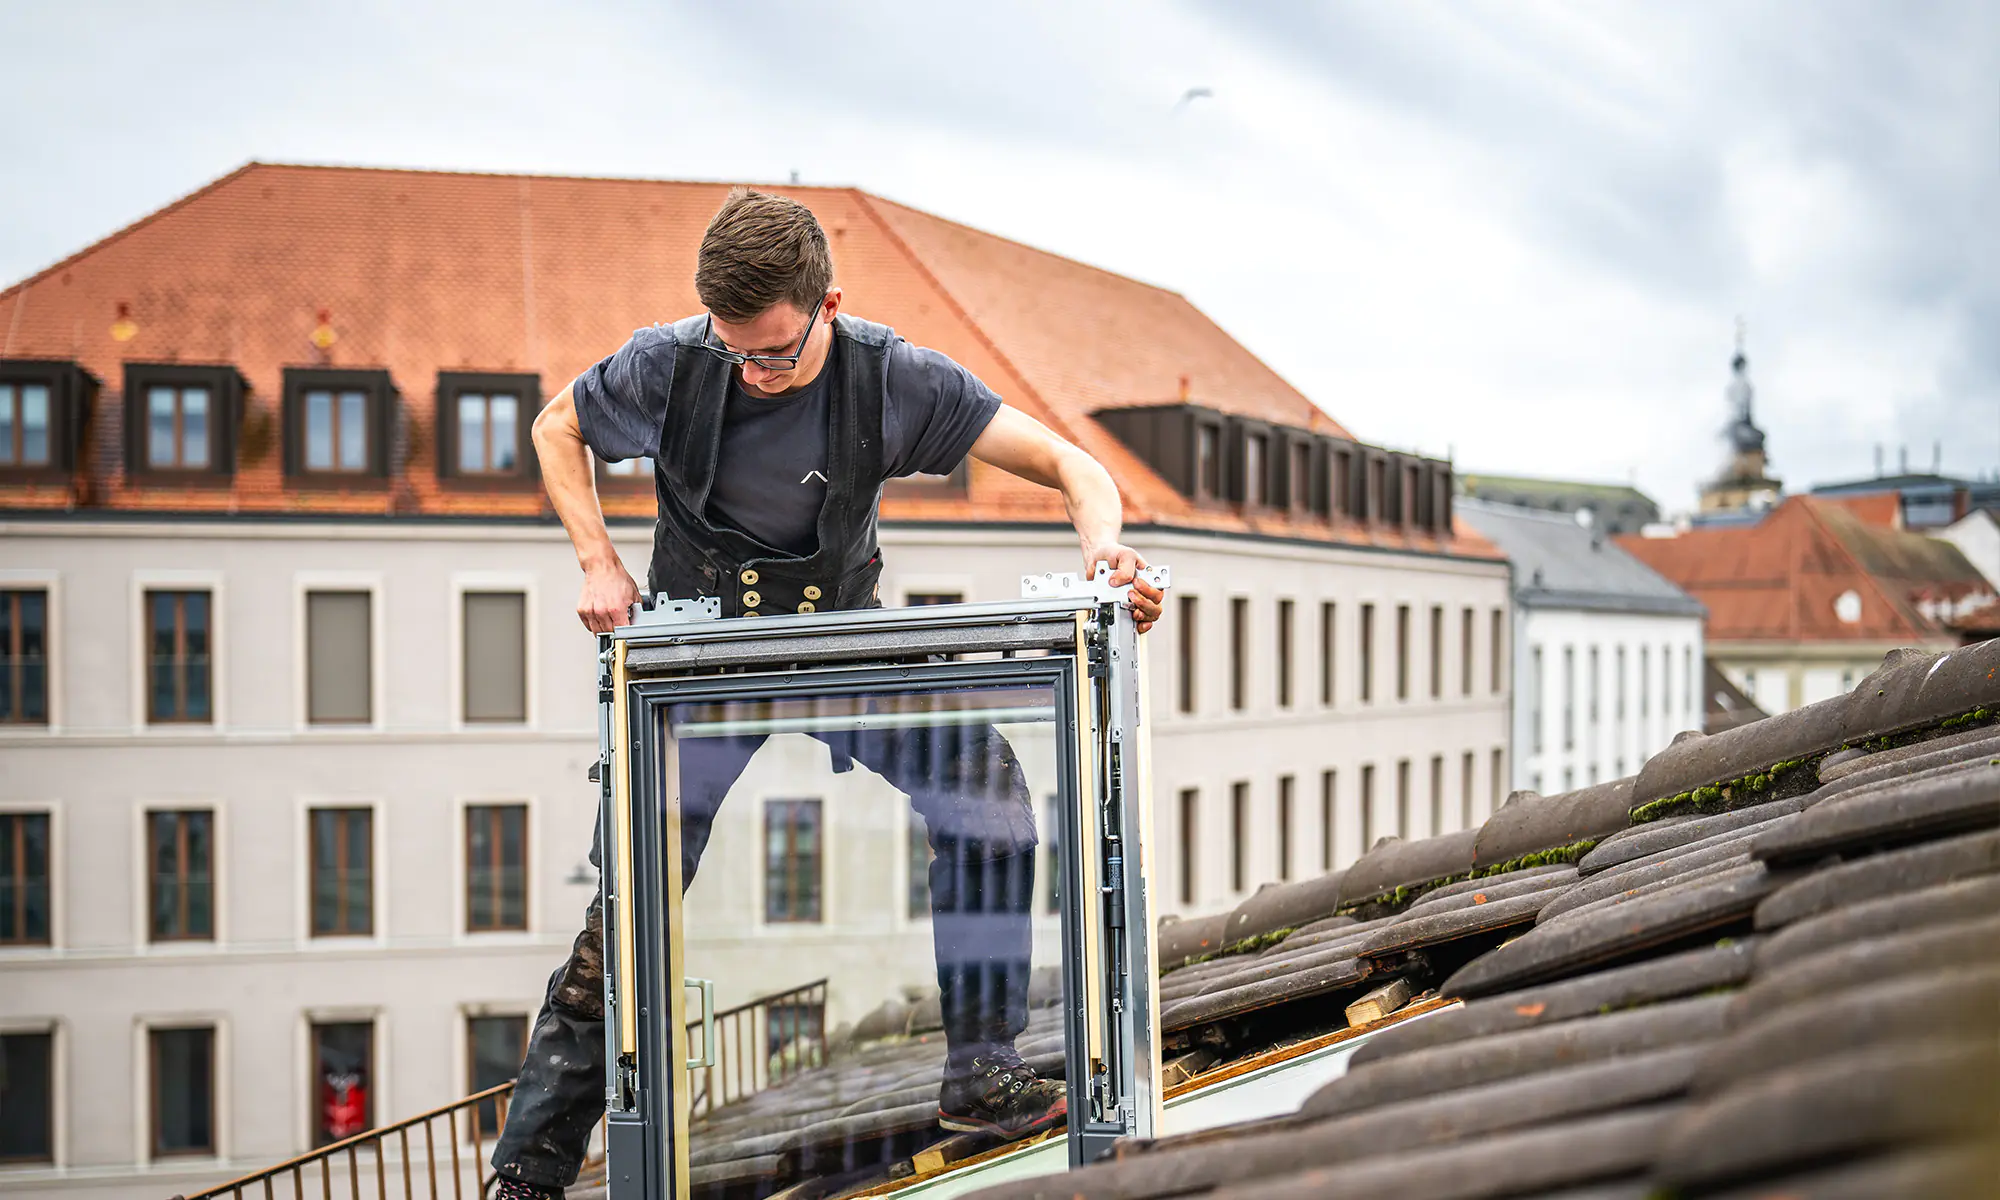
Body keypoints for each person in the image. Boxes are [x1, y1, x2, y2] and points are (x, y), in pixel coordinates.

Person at [490, 187, 1165, 1200]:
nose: (753, 374)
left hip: (836, 643)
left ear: (828, 305)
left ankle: (978, 1074)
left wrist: (1106, 552)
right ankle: (528, 1170)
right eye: (736, 353)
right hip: (697, 668)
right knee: (630, 900)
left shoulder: (891, 378)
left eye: (774, 353)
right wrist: (599, 562)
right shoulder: (670, 362)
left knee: (987, 796)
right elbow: (556, 428)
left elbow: (1070, 464)